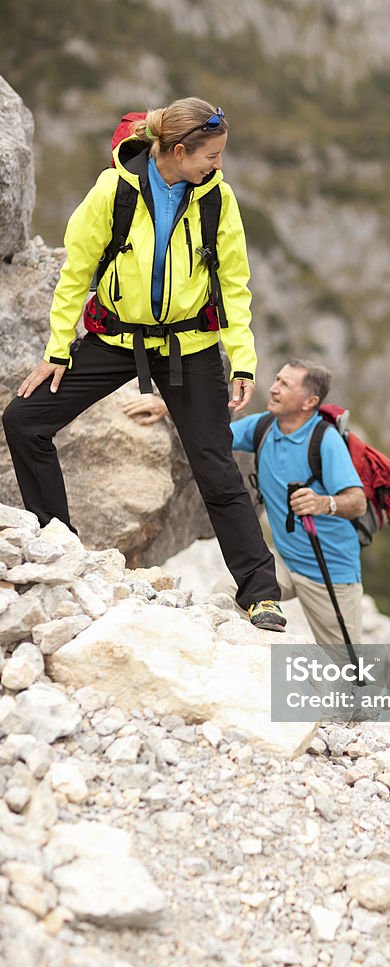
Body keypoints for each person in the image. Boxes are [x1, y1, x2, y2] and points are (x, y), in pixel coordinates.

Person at [2, 97, 285, 632]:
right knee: (24, 420)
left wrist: (243, 361)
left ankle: (261, 594)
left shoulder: (217, 200)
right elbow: (75, 273)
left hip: (192, 347)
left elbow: (235, 285)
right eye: (212, 156)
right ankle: (61, 544)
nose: (218, 166)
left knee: (217, 468)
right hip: (115, 339)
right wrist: (58, 350)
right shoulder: (114, 190)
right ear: (180, 151)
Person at [124, 359, 367, 645]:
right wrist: (168, 407)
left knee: (346, 664)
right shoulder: (264, 427)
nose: (273, 389)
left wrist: (324, 503)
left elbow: (358, 502)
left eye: (285, 385)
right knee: (223, 595)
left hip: (330, 572)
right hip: (284, 561)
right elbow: (212, 433)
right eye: (277, 379)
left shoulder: (325, 441)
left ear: (309, 401)